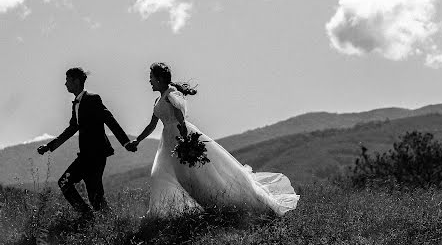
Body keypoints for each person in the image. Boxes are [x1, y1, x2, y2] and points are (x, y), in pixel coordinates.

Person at [126, 62, 299, 217]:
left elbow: (180, 117)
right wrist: (138, 140)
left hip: (180, 137)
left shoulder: (171, 94)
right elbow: (151, 125)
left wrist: (185, 138)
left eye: (151, 77)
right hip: (168, 142)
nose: (149, 81)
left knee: (198, 175)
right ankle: (176, 210)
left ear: (159, 79)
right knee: (167, 175)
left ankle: (226, 205)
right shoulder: (158, 100)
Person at [38, 67, 133, 217]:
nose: (65, 84)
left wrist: (126, 143)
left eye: (67, 80)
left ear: (76, 81)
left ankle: (94, 219)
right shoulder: (75, 104)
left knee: (93, 196)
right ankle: (90, 217)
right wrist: (49, 146)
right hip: (85, 156)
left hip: (96, 155)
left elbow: (109, 119)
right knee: (70, 185)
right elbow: (71, 129)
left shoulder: (93, 99)